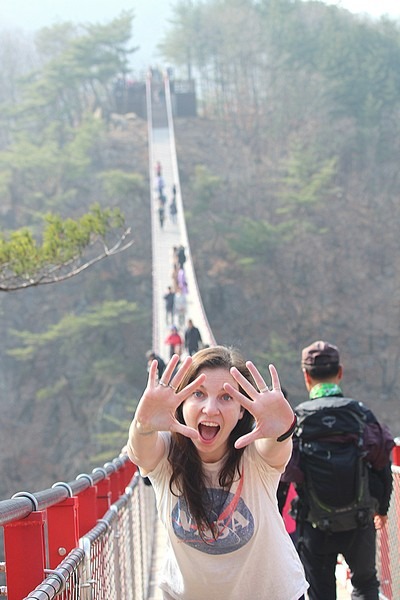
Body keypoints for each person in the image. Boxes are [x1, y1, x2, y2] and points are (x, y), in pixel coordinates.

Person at [126, 346, 308, 600]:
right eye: (198, 394)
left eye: (226, 397)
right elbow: (140, 451)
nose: (210, 409)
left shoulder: (255, 454)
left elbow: (275, 449)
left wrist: (283, 431)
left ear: (243, 409)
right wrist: (143, 425)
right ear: (181, 401)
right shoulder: (167, 453)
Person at [282, 340, 394, 600]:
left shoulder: (297, 421)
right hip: (359, 520)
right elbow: (382, 462)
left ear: (306, 376)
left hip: (314, 523)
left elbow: (286, 472)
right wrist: (382, 509)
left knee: (320, 593)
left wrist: (277, 515)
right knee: (366, 585)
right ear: (340, 372)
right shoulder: (361, 415)